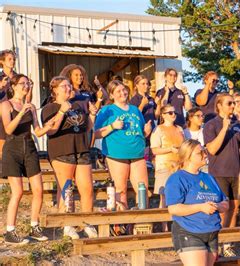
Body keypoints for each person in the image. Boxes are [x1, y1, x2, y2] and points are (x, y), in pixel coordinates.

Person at [41, 76, 98, 239]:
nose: (68, 88)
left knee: (87, 188)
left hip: (81, 149)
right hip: (62, 150)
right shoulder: (49, 107)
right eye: (64, 86)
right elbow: (51, 131)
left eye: (68, 86)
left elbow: (86, 128)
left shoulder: (79, 105)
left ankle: (88, 222)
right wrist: (61, 111)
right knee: (66, 189)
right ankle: (67, 224)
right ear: (55, 90)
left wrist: (92, 115)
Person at [2, 74, 52, 244]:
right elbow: (8, 129)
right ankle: (10, 231)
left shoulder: (31, 106)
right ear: (13, 86)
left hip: (29, 147)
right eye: (22, 84)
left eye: (28, 83)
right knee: (18, 192)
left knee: (38, 190)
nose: (26, 86)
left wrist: (48, 127)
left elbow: (37, 131)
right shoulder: (5, 105)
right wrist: (21, 111)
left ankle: (34, 226)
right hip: (12, 148)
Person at [203, 93, 240, 256]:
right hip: (218, 173)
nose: (233, 106)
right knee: (222, 209)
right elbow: (212, 149)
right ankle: (217, 242)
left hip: (235, 172)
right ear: (219, 105)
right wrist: (224, 128)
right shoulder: (211, 125)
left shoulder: (238, 125)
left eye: (234, 103)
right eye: (229, 103)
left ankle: (227, 243)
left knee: (234, 208)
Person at [165, 139, 229, 266]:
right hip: (189, 231)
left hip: (211, 233)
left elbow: (225, 201)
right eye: (201, 152)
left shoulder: (208, 177)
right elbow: (173, 209)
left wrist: (218, 206)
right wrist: (201, 207)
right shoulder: (177, 178)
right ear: (188, 156)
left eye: (205, 151)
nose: (205, 154)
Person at [94, 80, 152, 209]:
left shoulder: (135, 110)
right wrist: (112, 126)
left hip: (137, 153)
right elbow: (96, 133)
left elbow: (140, 132)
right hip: (117, 154)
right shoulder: (107, 110)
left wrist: (146, 132)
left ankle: (140, 226)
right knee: (121, 190)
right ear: (112, 95)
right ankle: (121, 225)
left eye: (124, 89)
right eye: (118, 91)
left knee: (142, 190)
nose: (123, 93)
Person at [151, 104, 184, 227]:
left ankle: (178, 225)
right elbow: (154, 150)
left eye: (174, 112)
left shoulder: (179, 129)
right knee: (164, 197)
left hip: (179, 166)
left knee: (179, 196)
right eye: (170, 113)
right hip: (164, 165)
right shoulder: (158, 129)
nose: (173, 115)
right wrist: (170, 149)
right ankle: (164, 227)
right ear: (163, 115)